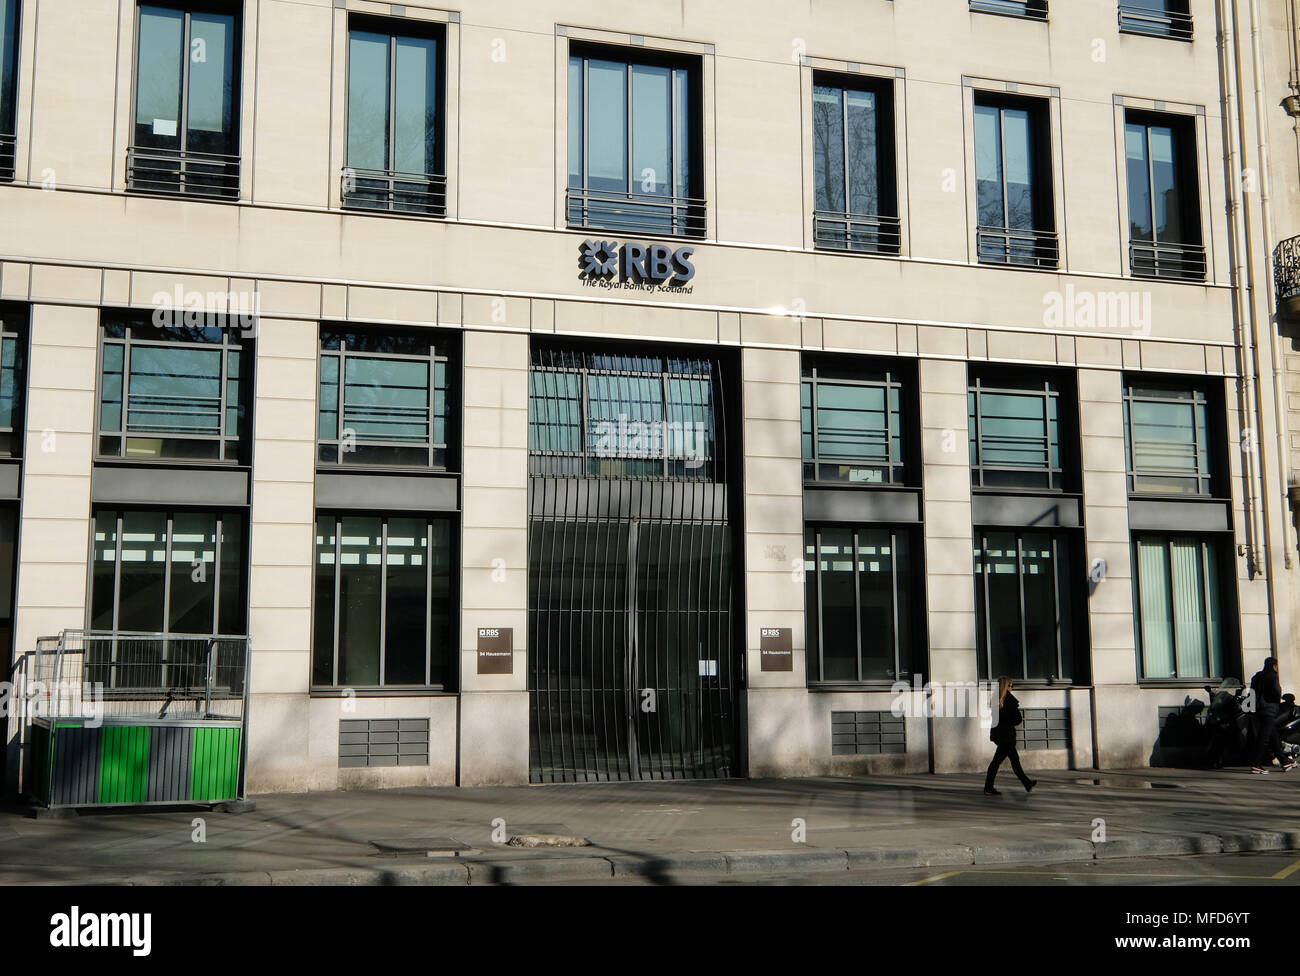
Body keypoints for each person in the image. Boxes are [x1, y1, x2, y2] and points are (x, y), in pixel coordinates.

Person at [984, 676, 1037, 795]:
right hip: (1007, 736)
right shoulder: (1009, 700)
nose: (1012, 688)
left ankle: (1027, 783)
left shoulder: (996, 700)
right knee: (1006, 761)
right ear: (1006, 687)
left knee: (1005, 761)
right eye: (1011, 685)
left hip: (1000, 735)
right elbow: (1017, 719)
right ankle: (989, 787)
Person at [1249, 657, 1297, 774]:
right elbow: (1277, 691)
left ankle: (1284, 761)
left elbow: (1252, 693)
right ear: (1274, 665)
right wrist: (1276, 700)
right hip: (1269, 709)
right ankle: (1256, 764)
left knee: (1273, 736)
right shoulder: (1272, 676)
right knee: (1264, 737)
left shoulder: (1257, 676)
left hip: (1258, 709)